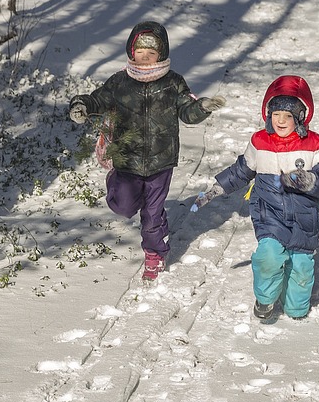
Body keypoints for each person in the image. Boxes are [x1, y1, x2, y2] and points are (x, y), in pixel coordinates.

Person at [69, 21, 225, 280]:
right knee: (123, 205)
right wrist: (81, 105)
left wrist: (203, 107)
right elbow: (99, 99)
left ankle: (155, 254)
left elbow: (187, 110)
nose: (144, 58)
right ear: (132, 52)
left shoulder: (173, 82)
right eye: (139, 52)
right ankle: (118, 186)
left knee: (152, 213)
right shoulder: (120, 81)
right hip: (126, 157)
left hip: (160, 160)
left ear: (160, 55)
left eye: (150, 53)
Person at [191, 74, 319, 320]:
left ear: (300, 117)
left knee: (300, 268)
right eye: (276, 114)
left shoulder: (314, 144)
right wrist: (217, 188)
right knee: (268, 256)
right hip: (269, 214)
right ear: (268, 114)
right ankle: (266, 299)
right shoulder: (260, 141)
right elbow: (242, 170)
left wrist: (310, 180)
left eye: (287, 116)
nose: (280, 120)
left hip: (305, 218)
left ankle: (296, 309)